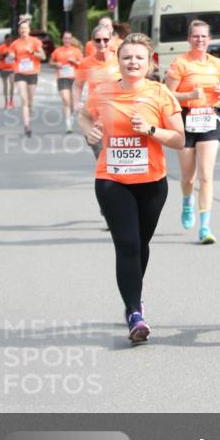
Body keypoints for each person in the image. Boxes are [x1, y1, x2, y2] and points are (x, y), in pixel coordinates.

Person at [78, 33, 184, 343]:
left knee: (141, 243)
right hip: (112, 180)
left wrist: (151, 130)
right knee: (127, 244)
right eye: (127, 57)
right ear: (118, 61)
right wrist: (89, 130)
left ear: (150, 62)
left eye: (139, 57)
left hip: (151, 183)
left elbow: (179, 139)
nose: (132, 62)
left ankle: (133, 296)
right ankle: (135, 313)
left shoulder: (161, 93)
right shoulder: (103, 92)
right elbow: (84, 117)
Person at [165, 19, 220, 244]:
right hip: (185, 120)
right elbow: (167, 94)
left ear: (209, 39)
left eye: (204, 36)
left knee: (206, 174)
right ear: (189, 39)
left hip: (208, 119)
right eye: (196, 36)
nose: (200, 40)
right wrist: (188, 96)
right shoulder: (180, 63)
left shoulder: (217, 63)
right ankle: (186, 201)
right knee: (188, 176)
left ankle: (205, 227)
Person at [74, 26, 121, 159]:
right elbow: (77, 85)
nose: (102, 43)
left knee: (118, 159)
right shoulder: (86, 63)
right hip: (94, 117)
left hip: (117, 115)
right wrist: (77, 102)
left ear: (111, 40)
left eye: (106, 40)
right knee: (102, 158)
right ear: (93, 42)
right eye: (98, 40)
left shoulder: (120, 60)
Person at [8, 20, 45, 137]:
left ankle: (28, 120)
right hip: (20, 73)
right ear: (19, 31)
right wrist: (11, 56)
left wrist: (33, 52)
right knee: (24, 100)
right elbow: (10, 57)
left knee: (30, 101)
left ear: (29, 30)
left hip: (32, 73)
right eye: (21, 28)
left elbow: (43, 56)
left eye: (26, 28)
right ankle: (27, 125)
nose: (24, 30)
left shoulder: (35, 42)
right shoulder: (15, 44)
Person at [50, 31, 83, 132]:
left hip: (74, 79)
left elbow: (83, 63)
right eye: (65, 38)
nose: (67, 40)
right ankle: (68, 124)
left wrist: (75, 62)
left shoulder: (76, 51)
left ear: (71, 39)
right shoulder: (58, 51)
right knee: (66, 100)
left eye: (69, 38)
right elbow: (50, 62)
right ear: (62, 39)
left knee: (72, 103)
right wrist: (56, 64)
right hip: (62, 78)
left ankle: (70, 116)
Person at [0, 32, 15, 109]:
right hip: (3, 68)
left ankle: (11, 100)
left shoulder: (14, 47)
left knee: (12, 84)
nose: (9, 42)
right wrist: (4, 54)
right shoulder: (1, 47)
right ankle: (6, 101)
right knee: (5, 86)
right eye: (7, 40)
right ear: (5, 40)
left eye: (10, 40)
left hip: (12, 68)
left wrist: (13, 56)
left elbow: (18, 56)